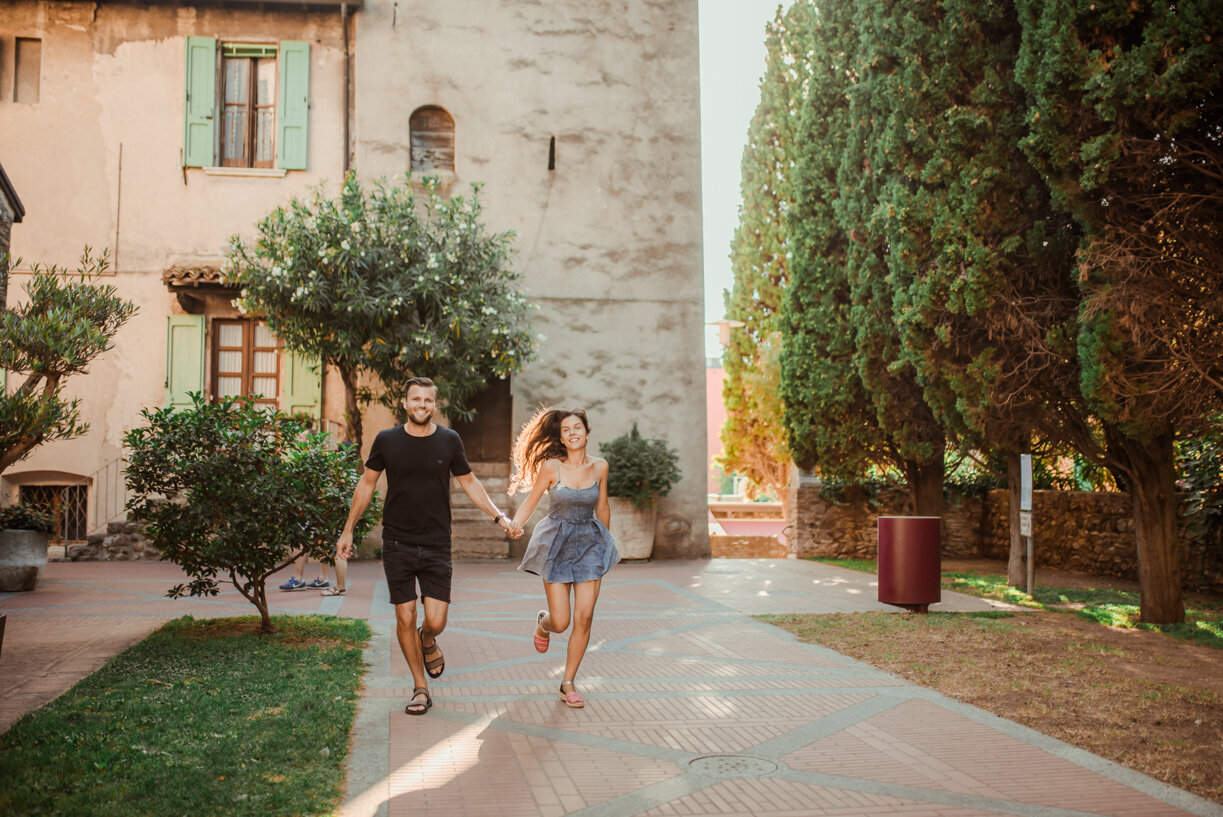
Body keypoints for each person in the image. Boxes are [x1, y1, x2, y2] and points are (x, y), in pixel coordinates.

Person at [335, 377, 517, 715]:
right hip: (397, 542)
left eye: (428, 400)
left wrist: (499, 518)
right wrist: (348, 530)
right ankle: (420, 687)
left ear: (435, 405)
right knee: (405, 615)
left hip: (436, 543)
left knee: (436, 620)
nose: (421, 405)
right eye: (415, 399)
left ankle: (428, 639)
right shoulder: (387, 440)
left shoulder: (449, 441)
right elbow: (367, 483)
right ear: (404, 403)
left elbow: (470, 482)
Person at [508, 407, 619, 709]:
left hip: (590, 546)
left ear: (586, 431)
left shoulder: (600, 467)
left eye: (577, 428)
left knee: (583, 617)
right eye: (566, 430)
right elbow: (530, 503)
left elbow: (603, 506)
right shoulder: (551, 467)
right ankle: (543, 623)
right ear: (560, 437)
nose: (572, 433)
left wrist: (605, 543)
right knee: (562, 621)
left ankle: (567, 682)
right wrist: (516, 525)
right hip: (556, 544)